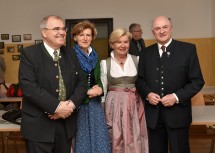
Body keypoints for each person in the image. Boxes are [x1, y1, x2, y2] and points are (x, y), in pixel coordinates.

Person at [136, 16, 205, 153]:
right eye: (157, 28)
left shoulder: (188, 50)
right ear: (153, 31)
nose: (161, 31)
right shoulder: (145, 53)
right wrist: (148, 94)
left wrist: (176, 96)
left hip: (178, 115)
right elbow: (140, 80)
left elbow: (197, 81)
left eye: (165, 27)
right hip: (154, 117)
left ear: (171, 29)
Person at [19, 15, 87, 153]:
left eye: (63, 29)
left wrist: (70, 105)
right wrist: (56, 107)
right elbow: (29, 87)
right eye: (56, 28)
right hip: (38, 126)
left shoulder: (71, 53)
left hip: (65, 124)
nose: (61, 32)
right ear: (44, 32)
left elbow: (82, 82)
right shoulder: (30, 53)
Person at [100, 27, 149, 153]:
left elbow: (143, 83)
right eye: (118, 42)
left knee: (136, 134)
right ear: (112, 44)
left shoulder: (137, 60)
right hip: (113, 105)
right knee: (115, 136)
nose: (122, 45)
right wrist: (104, 110)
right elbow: (104, 91)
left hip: (134, 103)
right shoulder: (105, 63)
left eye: (125, 42)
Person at [71, 20, 111, 153]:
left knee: (99, 138)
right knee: (82, 139)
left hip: (94, 103)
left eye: (88, 35)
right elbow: (68, 82)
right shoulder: (70, 56)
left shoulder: (95, 56)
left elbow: (99, 79)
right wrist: (87, 91)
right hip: (78, 104)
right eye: (81, 34)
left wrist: (100, 88)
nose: (85, 38)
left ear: (92, 37)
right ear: (75, 37)